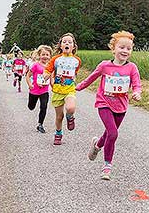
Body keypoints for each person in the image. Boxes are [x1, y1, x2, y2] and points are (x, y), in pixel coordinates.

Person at [76, 30, 141, 180]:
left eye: (128, 48)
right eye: (121, 47)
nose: (125, 51)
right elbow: (91, 78)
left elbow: (137, 84)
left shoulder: (132, 68)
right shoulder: (105, 66)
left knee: (108, 133)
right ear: (113, 49)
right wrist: (78, 87)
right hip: (104, 103)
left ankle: (97, 146)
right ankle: (107, 166)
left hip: (121, 106)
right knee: (113, 133)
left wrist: (137, 93)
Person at [43, 33, 81, 145]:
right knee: (59, 117)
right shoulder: (56, 59)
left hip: (70, 89)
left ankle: (70, 117)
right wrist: (46, 75)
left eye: (70, 42)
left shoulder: (77, 60)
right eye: (64, 42)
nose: (67, 44)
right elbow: (48, 70)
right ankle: (58, 133)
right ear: (60, 45)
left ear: (73, 46)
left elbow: (75, 72)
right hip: (57, 90)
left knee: (70, 108)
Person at [26, 45, 53, 133]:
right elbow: (28, 75)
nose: (45, 56)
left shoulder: (50, 66)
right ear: (39, 55)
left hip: (44, 91)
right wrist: (30, 84)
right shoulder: (35, 65)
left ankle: (40, 124)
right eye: (43, 54)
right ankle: (31, 105)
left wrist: (53, 86)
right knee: (31, 107)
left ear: (50, 56)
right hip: (34, 90)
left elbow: (51, 77)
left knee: (44, 107)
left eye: (47, 55)